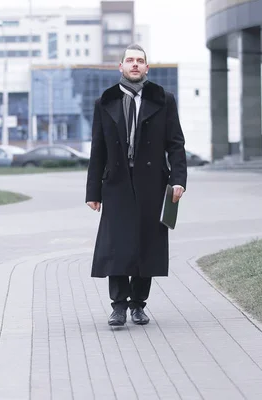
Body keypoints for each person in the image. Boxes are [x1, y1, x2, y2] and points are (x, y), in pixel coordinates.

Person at [85, 43, 188, 326]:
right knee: (117, 245)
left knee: (147, 243)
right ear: (120, 66)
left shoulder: (163, 99)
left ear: (146, 67)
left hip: (153, 183)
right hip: (116, 183)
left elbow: (176, 144)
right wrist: (92, 191)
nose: (134, 65)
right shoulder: (105, 102)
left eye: (139, 61)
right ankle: (118, 306)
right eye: (129, 60)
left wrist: (179, 180)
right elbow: (98, 150)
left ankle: (138, 305)